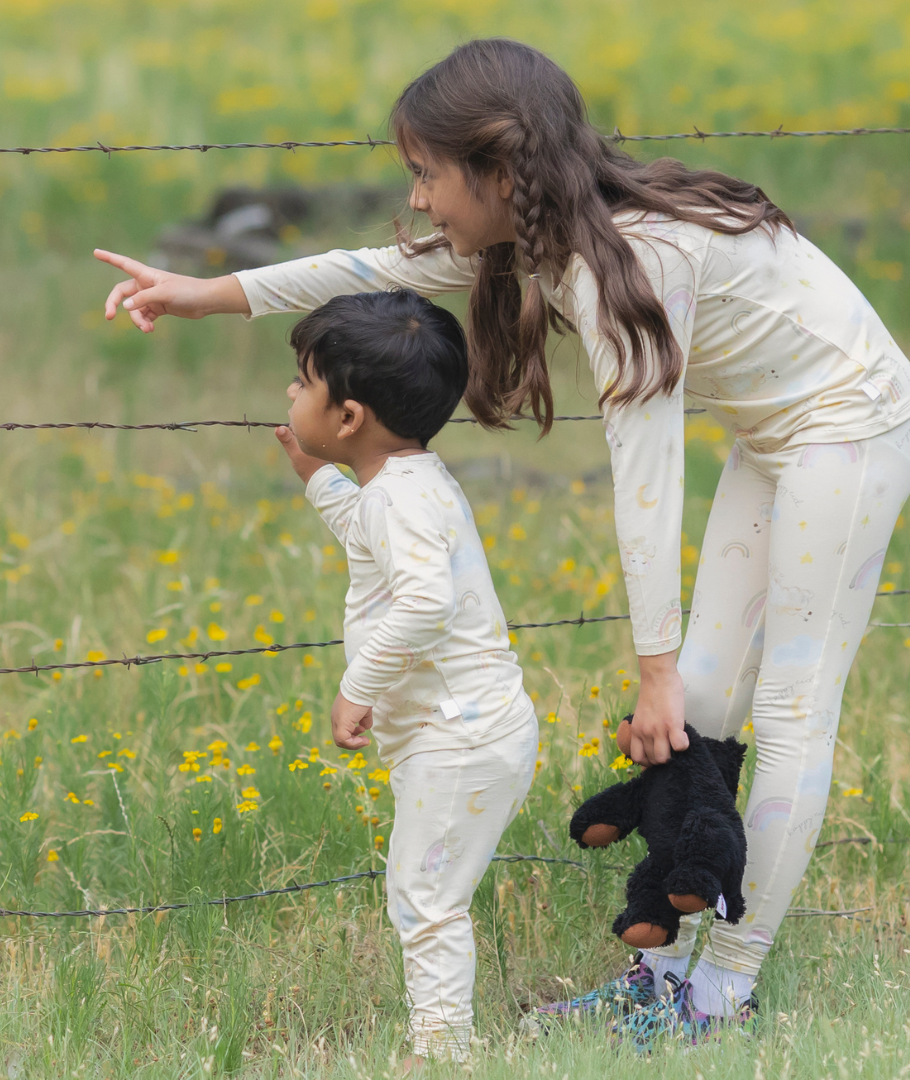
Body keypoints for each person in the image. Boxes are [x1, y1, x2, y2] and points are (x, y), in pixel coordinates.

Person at [94, 38, 910, 1047]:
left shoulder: (631, 273)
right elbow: (369, 264)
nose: (424, 199)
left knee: (789, 702)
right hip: (773, 432)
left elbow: (646, 482)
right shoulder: (539, 237)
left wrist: (646, 668)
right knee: (703, 697)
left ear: (501, 171)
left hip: (850, 423)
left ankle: (725, 987)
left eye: (430, 173)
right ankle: (662, 973)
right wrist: (198, 291)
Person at [282, 287, 537, 1062]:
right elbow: (372, 534)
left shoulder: (398, 500)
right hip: (476, 728)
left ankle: (442, 1048)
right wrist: (318, 478)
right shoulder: (410, 481)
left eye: (304, 381)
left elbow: (424, 600)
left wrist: (357, 686)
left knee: (425, 897)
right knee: (427, 889)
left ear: (349, 416)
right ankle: (440, 1038)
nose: (291, 393)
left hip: (456, 738)